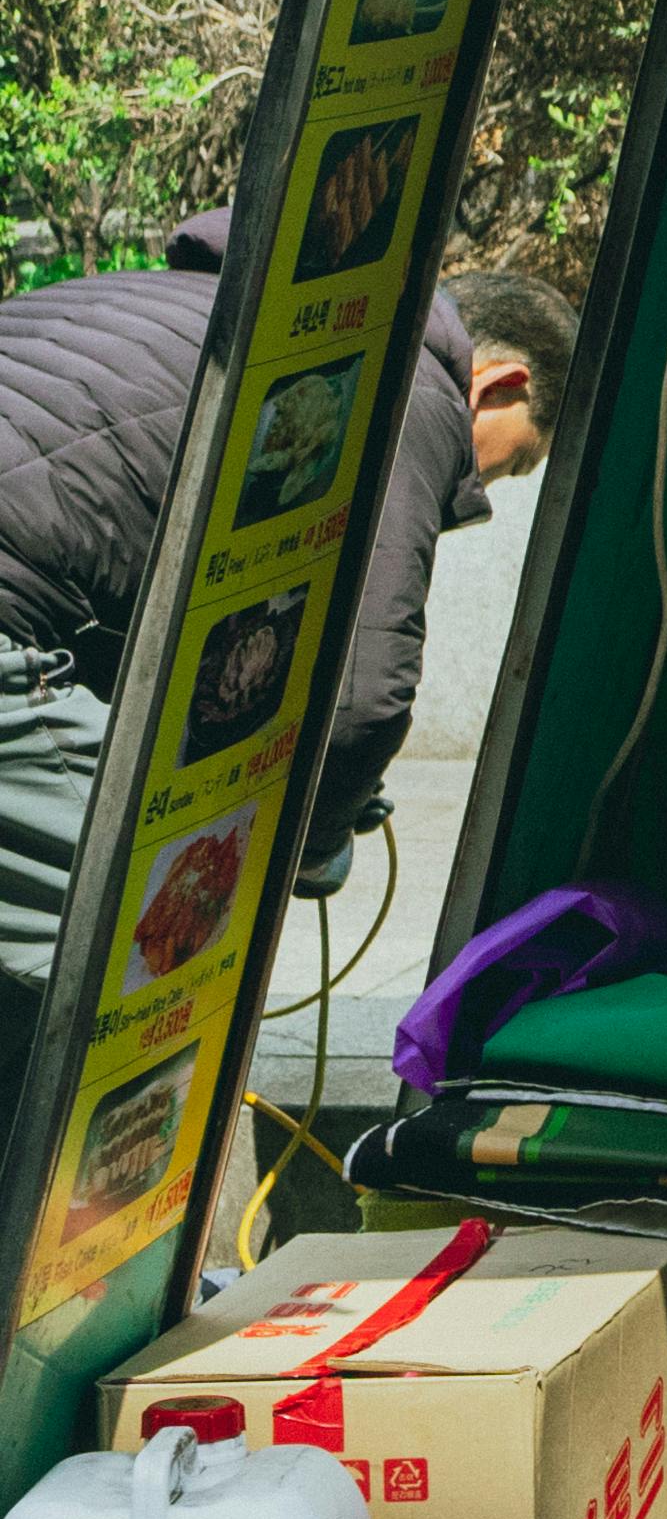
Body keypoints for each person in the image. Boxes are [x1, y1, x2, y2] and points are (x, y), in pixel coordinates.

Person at [0, 228, 562, 1027]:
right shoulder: (403, 387)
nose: (488, 488)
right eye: (510, 465)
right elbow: (363, 704)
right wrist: (312, 838)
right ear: (499, 386)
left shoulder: (226, 309)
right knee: (156, 948)